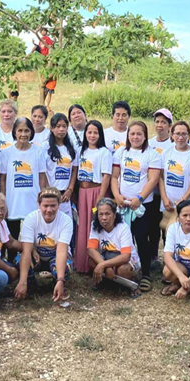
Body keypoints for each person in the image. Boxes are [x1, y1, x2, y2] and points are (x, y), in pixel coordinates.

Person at [111, 121, 162, 292]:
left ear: (145, 135)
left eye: (139, 134)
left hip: (142, 207)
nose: (135, 137)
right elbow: (114, 177)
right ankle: (128, 270)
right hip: (123, 205)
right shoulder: (121, 152)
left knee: (141, 239)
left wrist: (139, 198)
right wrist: (117, 196)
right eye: (132, 134)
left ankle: (145, 273)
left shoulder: (152, 154)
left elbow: (153, 179)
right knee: (125, 239)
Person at [0, 117, 48, 262]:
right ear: (14, 132)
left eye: (27, 130)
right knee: (10, 234)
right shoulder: (6, 152)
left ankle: (31, 263)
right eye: (20, 130)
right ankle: (8, 263)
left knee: (31, 234)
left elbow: (41, 177)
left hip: (32, 201)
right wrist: (4, 202)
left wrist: (43, 198)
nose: (23, 134)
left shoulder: (38, 151)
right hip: (12, 202)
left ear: (31, 132)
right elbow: (2, 179)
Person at [14, 188, 73, 301]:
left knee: (67, 266)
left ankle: (57, 284)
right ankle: (29, 284)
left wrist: (60, 280)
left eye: (53, 205)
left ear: (59, 205)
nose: (49, 210)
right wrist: (22, 282)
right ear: (39, 205)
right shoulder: (31, 218)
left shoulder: (66, 220)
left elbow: (61, 251)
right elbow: (26, 251)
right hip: (37, 258)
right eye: (45, 206)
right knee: (18, 260)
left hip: (55, 256)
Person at [76, 120, 112, 273]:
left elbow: (106, 176)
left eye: (95, 132)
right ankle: (82, 263)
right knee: (82, 225)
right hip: (82, 192)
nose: (92, 135)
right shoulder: (81, 150)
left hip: (96, 191)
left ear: (100, 134)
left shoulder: (104, 152)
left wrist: (101, 196)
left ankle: (97, 262)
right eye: (89, 132)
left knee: (94, 226)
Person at [87, 198, 141, 295]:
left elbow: (125, 256)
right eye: (101, 214)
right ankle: (105, 281)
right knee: (91, 261)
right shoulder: (94, 225)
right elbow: (91, 249)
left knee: (122, 270)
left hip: (126, 260)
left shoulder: (123, 228)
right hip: (107, 258)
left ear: (115, 215)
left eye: (107, 214)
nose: (104, 218)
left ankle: (128, 284)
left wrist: (103, 265)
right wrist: (106, 266)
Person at [159, 121, 190, 223]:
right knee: (167, 234)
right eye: (177, 134)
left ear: (189, 136)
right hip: (168, 204)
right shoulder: (166, 151)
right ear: (172, 135)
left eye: (184, 134)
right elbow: (161, 176)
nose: (181, 137)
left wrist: (183, 200)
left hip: (186, 205)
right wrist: (164, 198)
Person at [147, 109, 174, 263]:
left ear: (169, 125)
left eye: (163, 122)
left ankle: (168, 258)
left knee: (168, 227)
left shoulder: (174, 144)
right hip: (152, 193)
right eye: (157, 121)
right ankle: (153, 256)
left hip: (168, 194)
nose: (159, 125)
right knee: (153, 226)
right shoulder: (150, 143)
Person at [43, 113, 78, 219]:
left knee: (65, 226)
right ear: (52, 128)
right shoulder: (45, 147)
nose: (61, 129)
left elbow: (74, 170)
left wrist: (70, 190)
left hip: (65, 196)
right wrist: (50, 191)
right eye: (58, 126)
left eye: (64, 126)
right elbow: (42, 172)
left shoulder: (71, 148)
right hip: (50, 194)